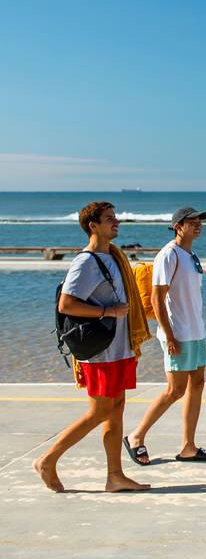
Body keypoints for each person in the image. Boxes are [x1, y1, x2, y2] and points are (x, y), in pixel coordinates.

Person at [34, 201, 152, 493]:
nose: (117, 222)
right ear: (93, 225)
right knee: (100, 412)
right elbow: (67, 303)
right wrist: (108, 312)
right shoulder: (87, 262)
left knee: (116, 409)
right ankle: (48, 459)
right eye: (110, 219)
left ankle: (115, 476)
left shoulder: (112, 256)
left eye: (116, 218)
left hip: (118, 348)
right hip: (101, 352)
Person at [125, 207, 206, 465]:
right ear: (177, 226)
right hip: (177, 332)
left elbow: (192, 299)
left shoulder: (191, 255)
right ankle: (136, 436)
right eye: (191, 222)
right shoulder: (168, 255)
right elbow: (157, 298)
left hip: (194, 332)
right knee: (175, 390)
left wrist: (202, 332)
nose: (197, 225)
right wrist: (169, 336)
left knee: (197, 384)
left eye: (199, 222)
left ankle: (188, 446)